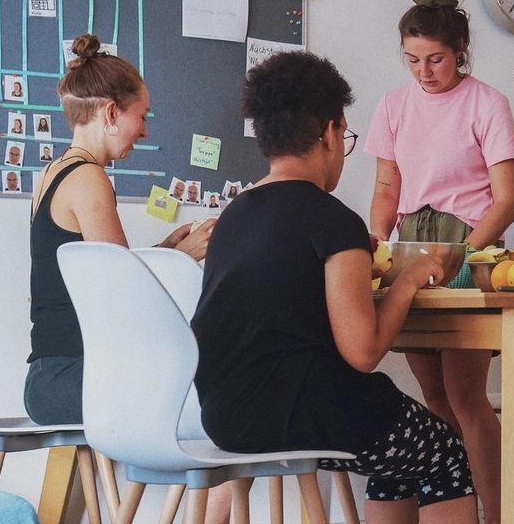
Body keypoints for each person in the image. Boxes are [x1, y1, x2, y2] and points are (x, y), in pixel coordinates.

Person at [192, 51, 478, 524]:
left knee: (398, 453)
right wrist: (408, 279)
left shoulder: (234, 216)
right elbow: (363, 352)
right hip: (303, 412)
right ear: (328, 133)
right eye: (344, 135)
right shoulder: (332, 218)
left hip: (224, 414)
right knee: (443, 451)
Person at [365, 0, 514, 521]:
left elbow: (507, 201)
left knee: (466, 396)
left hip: (468, 246)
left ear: (460, 50)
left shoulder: (488, 103)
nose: (423, 71)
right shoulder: (392, 106)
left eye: (435, 59)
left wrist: (465, 254)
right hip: (410, 249)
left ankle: (500, 514)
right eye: (412, 60)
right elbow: (386, 189)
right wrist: (379, 245)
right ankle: (459, 508)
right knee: (433, 397)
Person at [24, 33, 215, 426]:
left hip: (51, 378)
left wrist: (164, 249)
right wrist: (181, 258)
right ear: (111, 113)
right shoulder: (89, 177)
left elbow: (102, 271)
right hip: (77, 378)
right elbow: (123, 296)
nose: (144, 132)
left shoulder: (52, 172)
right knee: (219, 392)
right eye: (142, 116)